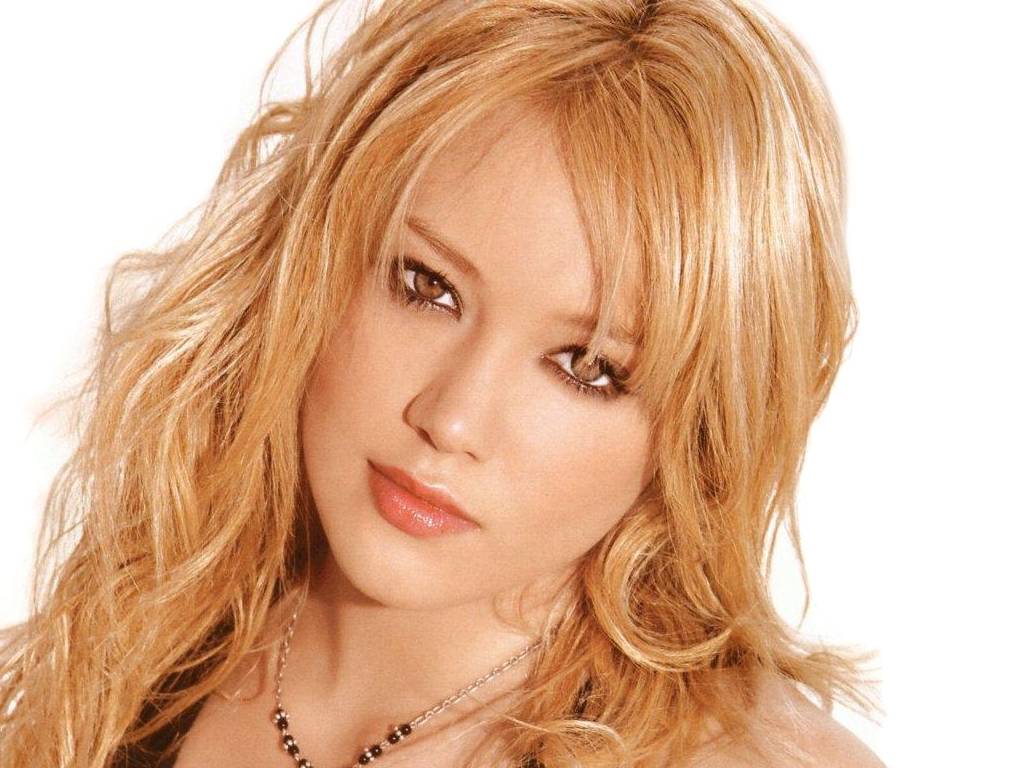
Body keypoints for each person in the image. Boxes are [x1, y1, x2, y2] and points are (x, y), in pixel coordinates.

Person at [0, 0, 885, 766]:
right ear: (312, 261)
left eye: (586, 367)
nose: (451, 419)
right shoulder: (114, 655)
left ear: (698, 434)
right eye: (427, 287)